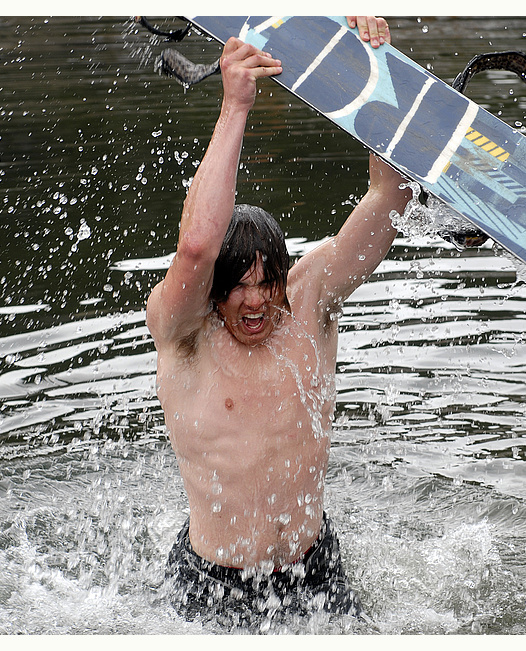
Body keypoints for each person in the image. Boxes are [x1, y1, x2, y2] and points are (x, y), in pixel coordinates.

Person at [146, 16, 412, 628]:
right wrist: (235, 104)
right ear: (214, 293)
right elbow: (195, 250)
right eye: (239, 288)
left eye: (267, 283)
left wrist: (377, 69)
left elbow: (388, 198)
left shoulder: (309, 300)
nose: (257, 303)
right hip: (213, 585)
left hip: (316, 571)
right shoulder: (182, 332)